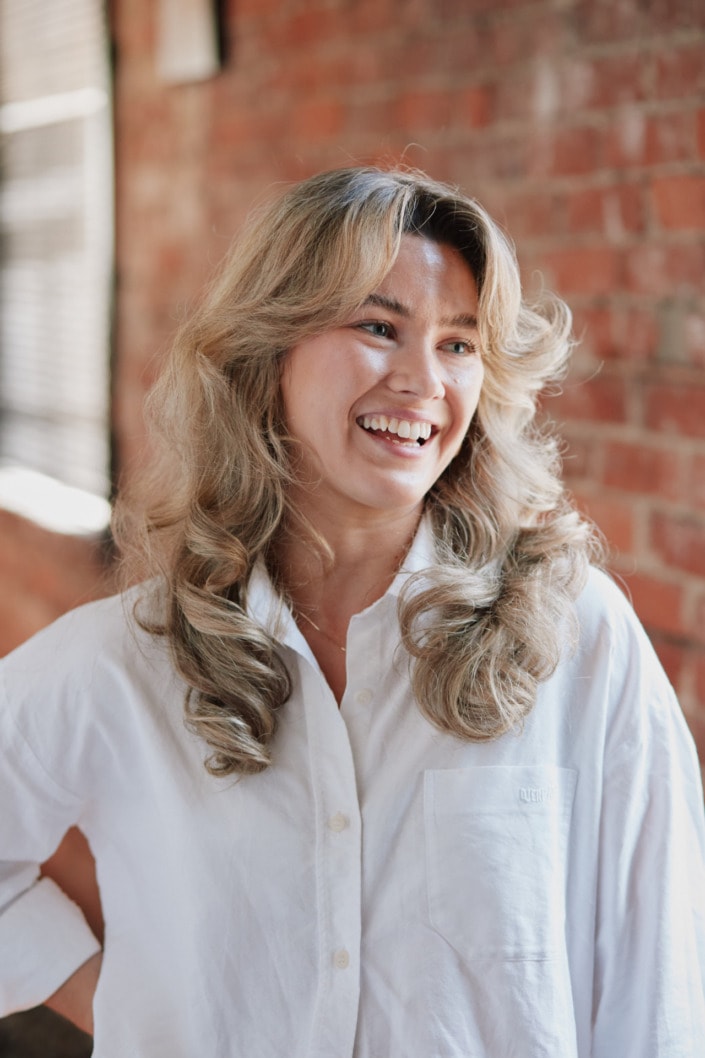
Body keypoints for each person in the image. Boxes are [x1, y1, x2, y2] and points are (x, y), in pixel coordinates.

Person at [1, 165, 704, 1057]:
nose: (423, 382)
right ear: (268, 351)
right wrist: (135, 1012)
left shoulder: (574, 636)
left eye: (458, 344)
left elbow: (661, 983)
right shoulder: (128, 660)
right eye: (379, 327)